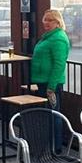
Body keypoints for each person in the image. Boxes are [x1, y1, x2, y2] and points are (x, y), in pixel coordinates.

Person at [31, 9, 70, 152]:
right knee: (47, 113)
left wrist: (51, 86)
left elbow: (59, 64)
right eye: (45, 19)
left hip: (51, 83)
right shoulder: (48, 37)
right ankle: (47, 145)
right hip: (43, 81)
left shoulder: (58, 38)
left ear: (57, 22)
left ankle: (56, 147)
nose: (46, 22)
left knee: (54, 114)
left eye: (50, 20)